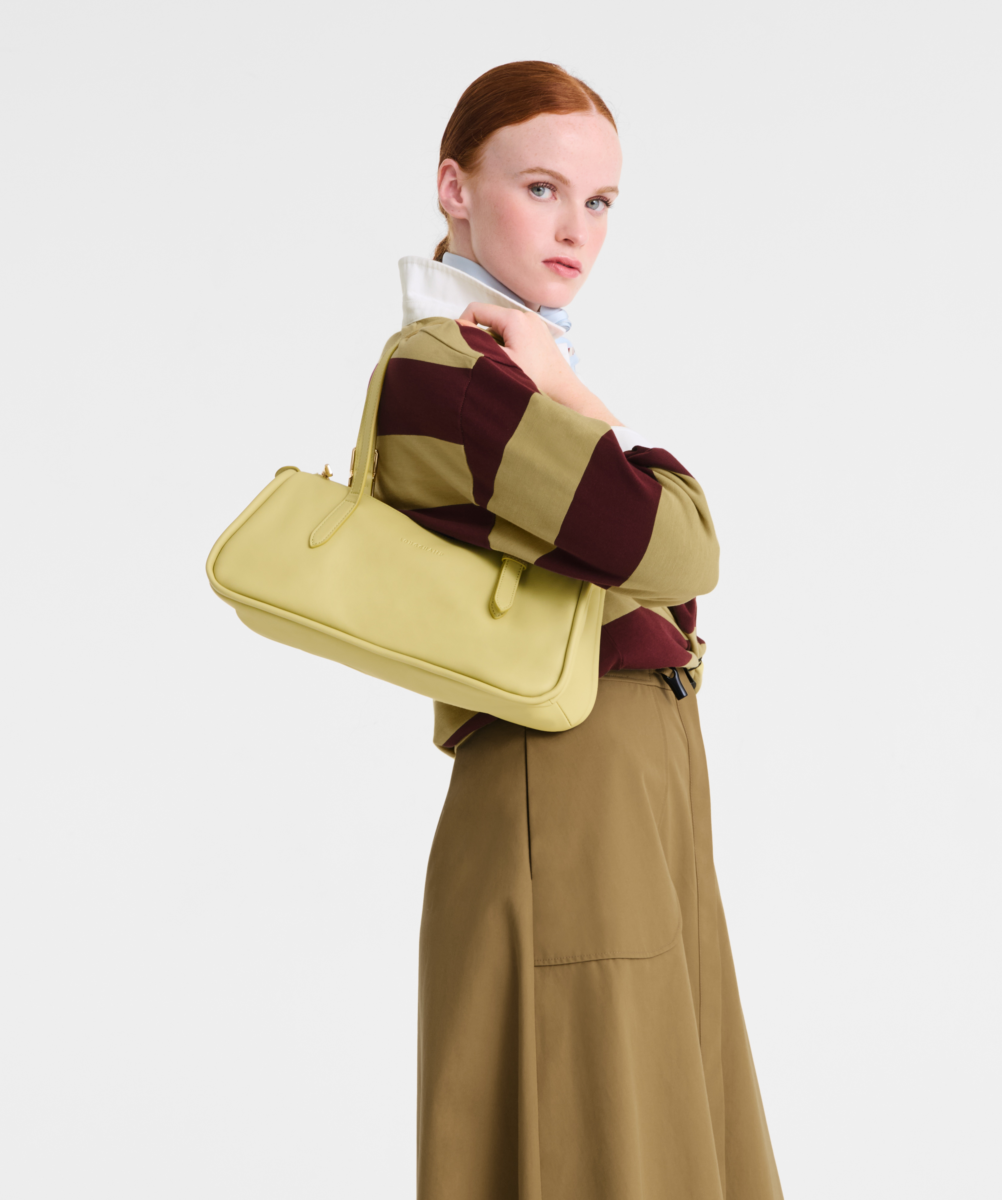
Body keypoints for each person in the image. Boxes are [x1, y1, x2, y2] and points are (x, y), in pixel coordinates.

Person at [376, 61, 784, 1199]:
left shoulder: (504, 362)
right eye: (542, 188)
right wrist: (581, 400)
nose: (576, 231)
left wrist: (555, 378)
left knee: (662, 1122)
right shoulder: (452, 372)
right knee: (605, 1138)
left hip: (622, 780)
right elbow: (680, 544)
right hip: (565, 786)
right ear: (455, 187)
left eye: (599, 201)